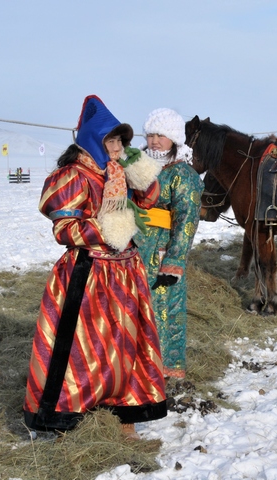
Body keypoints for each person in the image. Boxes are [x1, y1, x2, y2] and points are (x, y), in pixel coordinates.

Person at [23, 95, 166, 440]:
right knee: (81, 348)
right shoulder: (73, 175)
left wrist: (140, 170)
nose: (118, 148)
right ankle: (67, 420)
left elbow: (148, 201)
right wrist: (110, 226)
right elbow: (64, 230)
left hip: (126, 272)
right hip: (88, 275)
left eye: (121, 141)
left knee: (127, 343)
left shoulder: (118, 172)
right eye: (112, 141)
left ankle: (125, 418)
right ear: (94, 140)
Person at [134, 108, 203, 380]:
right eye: (150, 134)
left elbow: (187, 219)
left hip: (161, 253)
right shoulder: (136, 166)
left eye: (161, 135)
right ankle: (134, 369)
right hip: (132, 250)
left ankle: (161, 371)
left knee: (162, 310)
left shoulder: (182, 173)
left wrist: (174, 258)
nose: (154, 141)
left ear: (174, 138)